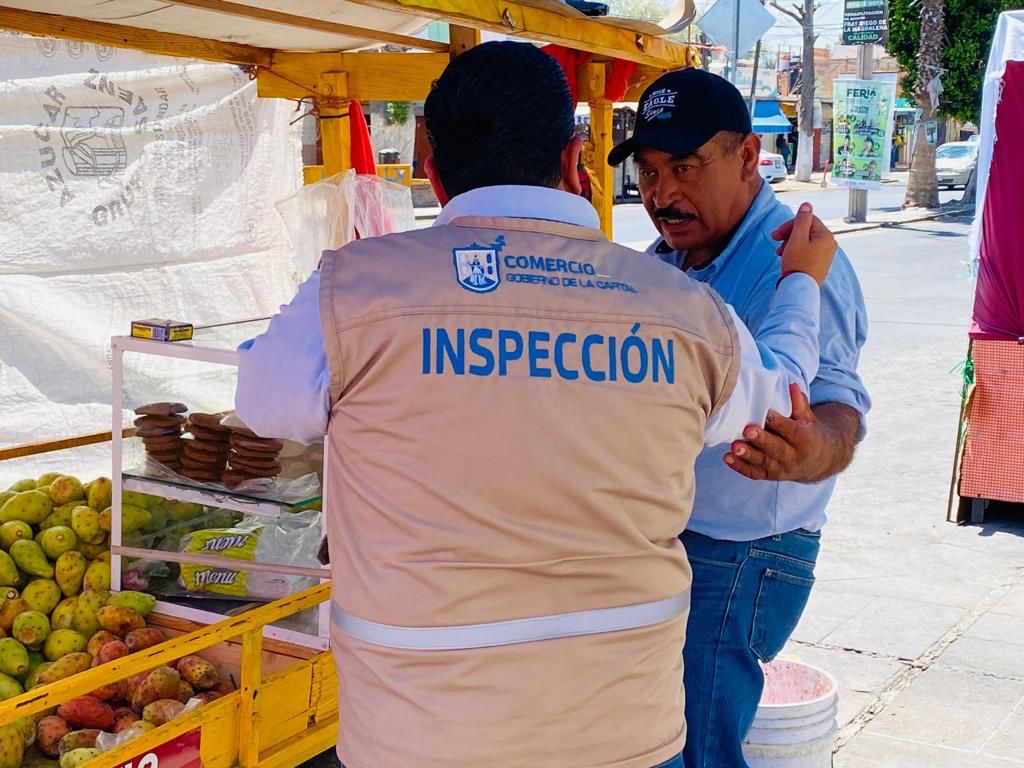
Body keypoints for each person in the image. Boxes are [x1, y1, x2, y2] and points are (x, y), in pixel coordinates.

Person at [236, 43, 837, 768]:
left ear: (432, 171)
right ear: (573, 161)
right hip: (623, 739)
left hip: (419, 739)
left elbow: (264, 404)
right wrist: (800, 282)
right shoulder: (685, 311)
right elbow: (783, 399)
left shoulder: (354, 292)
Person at [609, 68, 869, 768]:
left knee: (696, 749)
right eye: (650, 170)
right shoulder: (667, 262)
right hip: (676, 539)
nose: (662, 194)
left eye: (686, 168)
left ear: (749, 157)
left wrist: (812, 450)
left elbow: (841, 404)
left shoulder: (799, 261)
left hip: (743, 554)